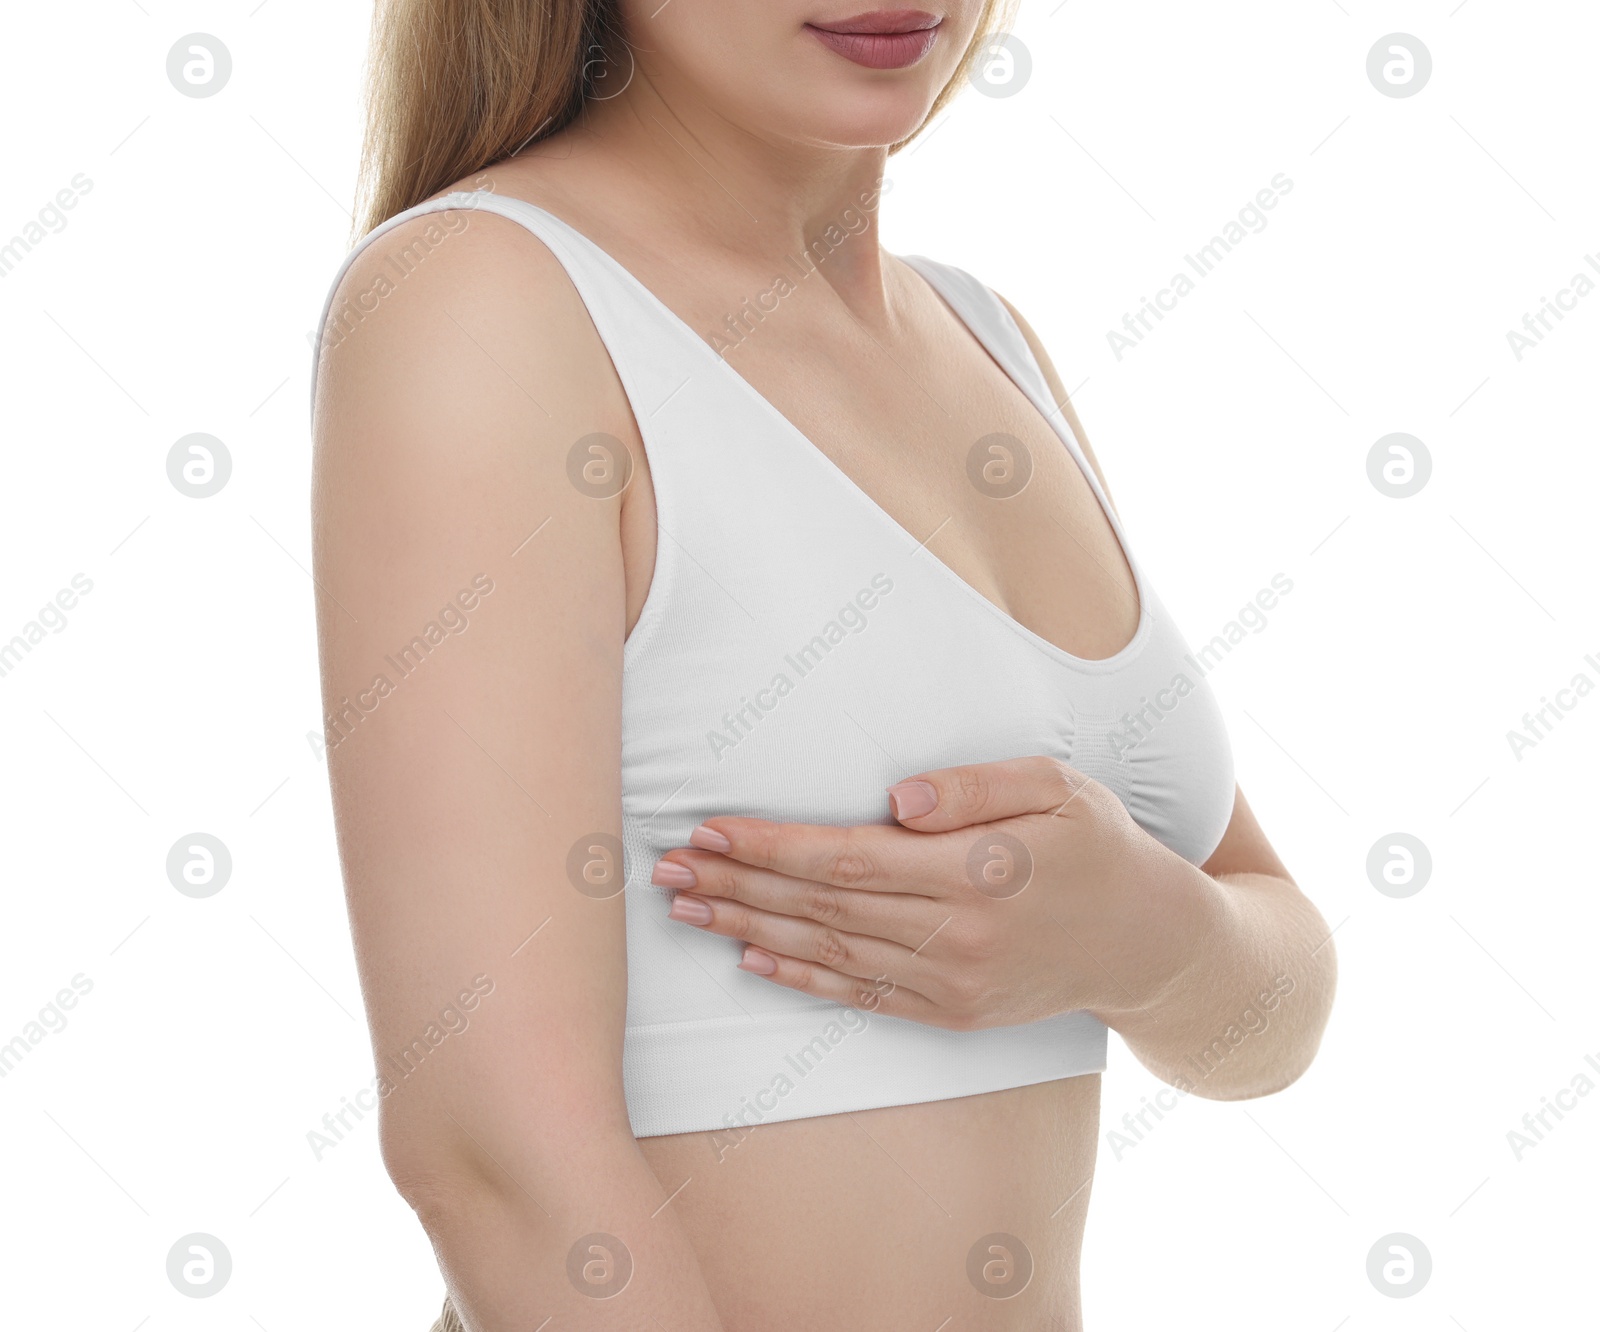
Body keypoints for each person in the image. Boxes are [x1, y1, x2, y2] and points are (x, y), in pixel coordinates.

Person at [310, 2, 1337, 1327]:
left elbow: (1277, 1000)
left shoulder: (987, 338)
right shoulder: (487, 299)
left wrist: (1147, 938)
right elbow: (498, 1163)